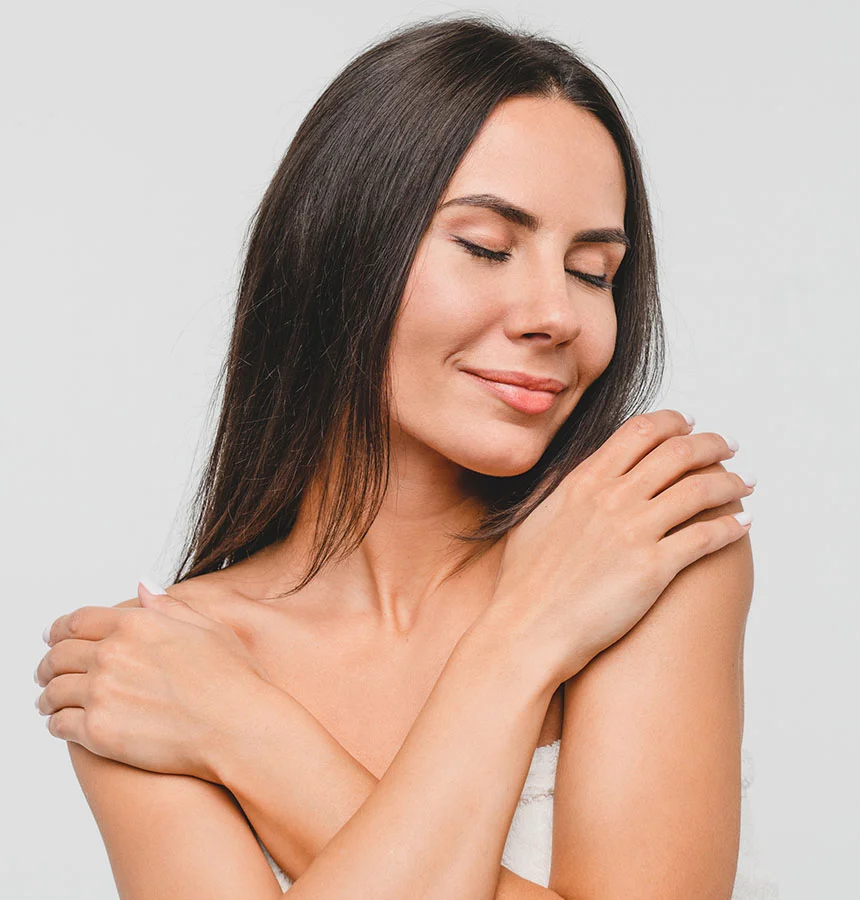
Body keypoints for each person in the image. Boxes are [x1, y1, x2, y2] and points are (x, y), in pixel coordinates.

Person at [34, 13, 772, 899]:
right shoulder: (156, 665)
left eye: (592, 271)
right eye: (487, 247)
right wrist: (522, 644)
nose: (557, 315)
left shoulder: (644, 547)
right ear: (339, 248)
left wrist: (249, 734)